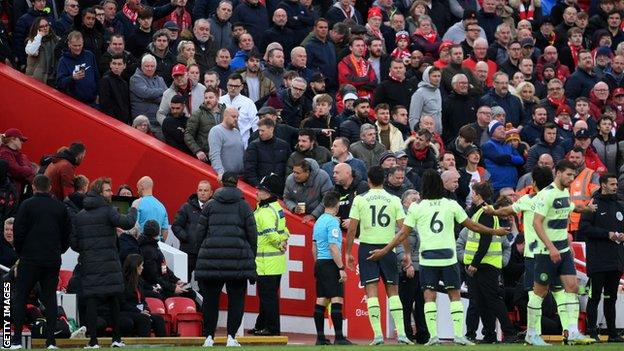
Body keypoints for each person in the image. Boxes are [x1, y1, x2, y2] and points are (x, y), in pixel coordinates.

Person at [367, 170, 509, 346]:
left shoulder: (417, 207)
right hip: (448, 258)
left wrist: (385, 249)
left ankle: (433, 336)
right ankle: (458, 335)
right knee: (454, 296)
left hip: (428, 259)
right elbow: (473, 226)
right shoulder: (451, 205)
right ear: (440, 186)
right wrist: (495, 231)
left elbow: (403, 233)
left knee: (429, 297)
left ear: (423, 186)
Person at [525, 160, 597, 346]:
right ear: (558, 173)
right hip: (546, 252)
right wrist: (551, 247)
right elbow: (536, 223)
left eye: (573, 175)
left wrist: (587, 208)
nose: (572, 179)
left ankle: (572, 332)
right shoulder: (545, 195)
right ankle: (531, 333)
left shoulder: (564, 192)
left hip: (563, 250)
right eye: (568, 175)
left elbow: (573, 208)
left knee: (571, 287)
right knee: (539, 292)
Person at [344, 165, 413, 345]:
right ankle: (403, 334)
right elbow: (403, 229)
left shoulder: (360, 199)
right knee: (393, 292)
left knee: (372, 292)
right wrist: (406, 252)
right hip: (388, 248)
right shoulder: (394, 199)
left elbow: (352, 229)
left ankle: (377, 336)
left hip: (367, 247)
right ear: (383, 180)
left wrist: (348, 252)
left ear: (368, 180)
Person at [71, 177, 138, 348]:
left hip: (90, 265)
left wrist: (89, 251)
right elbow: (128, 223)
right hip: (109, 264)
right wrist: (134, 209)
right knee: (113, 300)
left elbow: (74, 243)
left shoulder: (79, 216)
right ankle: (116, 339)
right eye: (108, 190)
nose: (111, 193)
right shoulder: (108, 210)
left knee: (92, 302)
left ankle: (93, 341)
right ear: (100, 192)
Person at [195, 173, 258, 347]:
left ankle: (209, 337)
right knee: (236, 300)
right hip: (238, 259)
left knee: (210, 301)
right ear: (237, 184)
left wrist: (202, 252)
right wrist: (250, 256)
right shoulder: (244, 206)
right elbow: (252, 235)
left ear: (221, 184)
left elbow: (199, 233)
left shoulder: (210, 205)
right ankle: (231, 337)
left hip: (211, 259)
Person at [9, 175, 71, 349]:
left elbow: (18, 231)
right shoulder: (60, 207)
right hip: (51, 259)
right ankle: (50, 341)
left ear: (34, 187)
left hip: (29, 258)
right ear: (50, 187)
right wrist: (59, 250)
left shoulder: (26, 205)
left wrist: (21, 252)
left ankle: (16, 340)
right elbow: (67, 234)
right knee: (50, 298)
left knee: (20, 296)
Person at [462, 181, 519, 343]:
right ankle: (489, 334)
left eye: (473, 193)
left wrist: (475, 263)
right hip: (482, 263)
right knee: (481, 301)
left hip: (485, 264)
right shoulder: (481, 211)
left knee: (492, 299)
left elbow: (485, 240)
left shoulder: (485, 212)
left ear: (478, 196)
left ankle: (509, 333)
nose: (471, 196)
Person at [579, 173, 624, 342]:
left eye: (616, 184)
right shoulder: (593, 204)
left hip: (616, 260)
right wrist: (607, 234)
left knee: (611, 298)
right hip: (598, 260)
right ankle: (592, 332)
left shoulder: (620, 206)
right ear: (603, 185)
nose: (615, 187)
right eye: (612, 184)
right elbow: (584, 228)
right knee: (595, 296)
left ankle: (612, 333)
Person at [312, 191, 354, 345]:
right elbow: (333, 247)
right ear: (337, 205)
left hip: (320, 263)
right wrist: (341, 267)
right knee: (337, 297)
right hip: (331, 263)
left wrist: (318, 263)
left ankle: (320, 338)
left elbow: (314, 247)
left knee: (322, 298)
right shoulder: (332, 222)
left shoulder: (319, 221)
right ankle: (339, 337)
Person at [251, 174, 290, 336]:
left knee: (268, 297)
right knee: (268, 296)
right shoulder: (277, 208)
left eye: (260, 189)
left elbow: (269, 232)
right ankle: (261, 324)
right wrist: (283, 241)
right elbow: (285, 230)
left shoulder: (266, 211)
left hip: (266, 261)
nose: (257, 192)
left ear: (268, 193)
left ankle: (272, 329)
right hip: (276, 261)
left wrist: (278, 242)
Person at [139, 220, 194, 301]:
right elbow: (153, 277)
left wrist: (176, 280)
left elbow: (164, 267)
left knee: (190, 292)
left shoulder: (154, 246)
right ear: (158, 232)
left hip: (164, 283)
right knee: (188, 295)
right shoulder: (148, 251)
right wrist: (173, 288)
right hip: (157, 287)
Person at [172, 180, 213, 281]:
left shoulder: (214, 209)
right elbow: (176, 226)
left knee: (205, 284)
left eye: (205, 190)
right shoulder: (186, 207)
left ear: (211, 193)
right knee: (184, 282)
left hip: (206, 253)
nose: (202, 193)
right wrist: (186, 238)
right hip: (188, 252)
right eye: (200, 190)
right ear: (197, 191)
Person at [120, 254, 167, 337]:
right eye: (141, 265)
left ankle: (163, 345)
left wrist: (146, 309)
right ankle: (144, 345)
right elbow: (123, 304)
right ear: (135, 266)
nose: (142, 268)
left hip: (139, 311)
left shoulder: (139, 281)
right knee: (144, 319)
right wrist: (139, 311)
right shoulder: (122, 283)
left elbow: (143, 300)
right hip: (126, 312)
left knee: (159, 319)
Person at [243, 118, 290, 196]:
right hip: (262, 190)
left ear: (271, 129)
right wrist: (258, 186)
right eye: (259, 131)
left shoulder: (284, 145)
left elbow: (288, 167)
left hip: (280, 189)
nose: (260, 133)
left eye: (263, 131)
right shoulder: (253, 146)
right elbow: (249, 169)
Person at [56, 31, 99, 105]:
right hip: (74, 104)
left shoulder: (89, 55)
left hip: (92, 102)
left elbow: (96, 76)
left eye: (80, 45)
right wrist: (72, 78)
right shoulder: (63, 61)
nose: (78, 48)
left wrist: (98, 94)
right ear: (69, 44)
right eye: (75, 46)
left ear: (83, 43)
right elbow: (59, 83)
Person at [284, 159, 333, 223]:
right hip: (299, 216)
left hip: (320, 218)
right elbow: (286, 198)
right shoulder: (290, 179)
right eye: (294, 172)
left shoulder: (322, 177)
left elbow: (328, 199)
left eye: (298, 173)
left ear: (307, 172)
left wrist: (314, 215)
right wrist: (293, 207)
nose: (295, 175)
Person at [184, 88, 225, 162]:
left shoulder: (226, 112)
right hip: (207, 157)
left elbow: (234, 131)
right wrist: (197, 151)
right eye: (206, 98)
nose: (208, 100)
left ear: (218, 98)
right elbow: (188, 134)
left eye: (211, 97)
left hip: (224, 155)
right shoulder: (198, 114)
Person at [129, 54, 168, 133]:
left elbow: (166, 97)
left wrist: (153, 97)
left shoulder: (160, 79)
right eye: (147, 66)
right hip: (143, 122)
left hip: (159, 119)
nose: (150, 69)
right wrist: (162, 91)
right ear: (142, 66)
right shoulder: (135, 79)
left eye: (152, 66)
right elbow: (146, 93)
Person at [219, 73, 258, 147]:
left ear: (241, 87)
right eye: (230, 85)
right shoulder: (220, 101)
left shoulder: (248, 102)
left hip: (243, 144)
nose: (233, 88)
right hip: (222, 144)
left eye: (236, 86)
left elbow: (255, 125)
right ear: (227, 85)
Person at [208, 106, 245, 178]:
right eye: (233, 116)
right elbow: (214, 155)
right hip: (226, 178)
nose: (236, 119)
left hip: (240, 176)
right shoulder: (216, 131)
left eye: (237, 117)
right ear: (225, 116)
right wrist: (220, 172)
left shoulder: (237, 131)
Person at [0, 128, 36, 201]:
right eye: (20, 140)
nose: (22, 142)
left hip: (16, 192)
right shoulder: (5, 153)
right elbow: (17, 171)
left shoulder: (16, 153)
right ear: (13, 139)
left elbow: (23, 168)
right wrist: (28, 170)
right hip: (10, 195)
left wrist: (26, 169)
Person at [99, 54, 131, 124]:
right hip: (111, 122)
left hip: (123, 122)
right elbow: (105, 105)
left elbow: (126, 104)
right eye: (114, 64)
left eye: (119, 64)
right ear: (110, 65)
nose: (116, 67)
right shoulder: (105, 80)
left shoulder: (124, 83)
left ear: (124, 66)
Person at [135, 176, 170, 241]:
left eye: (137, 188)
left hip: (141, 245)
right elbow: (165, 230)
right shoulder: (162, 206)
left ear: (141, 187)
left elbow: (134, 226)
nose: (137, 191)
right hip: (156, 245)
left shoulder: (137, 203)